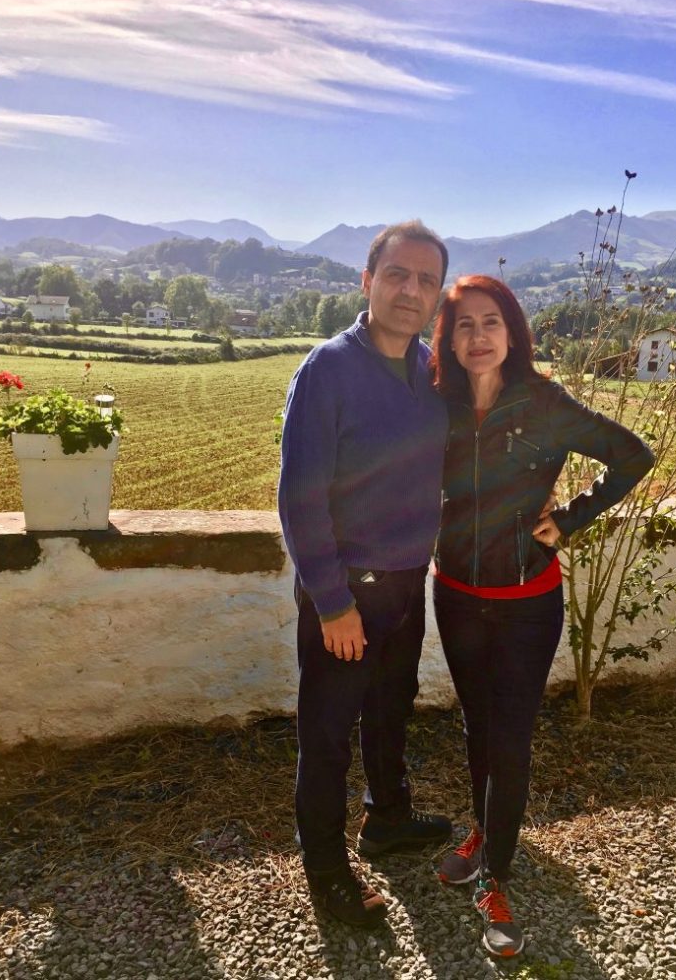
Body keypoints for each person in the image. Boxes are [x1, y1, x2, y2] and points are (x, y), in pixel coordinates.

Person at [430, 275, 654, 957]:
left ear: (512, 331)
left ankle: (496, 876)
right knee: (476, 726)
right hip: (456, 591)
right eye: (464, 324)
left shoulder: (544, 401)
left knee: (511, 737)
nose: (477, 336)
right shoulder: (435, 403)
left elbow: (632, 455)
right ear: (449, 336)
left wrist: (572, 517)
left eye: (490, 321)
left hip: (526, 601)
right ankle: (482, 828)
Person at [278, 221, 454, 929]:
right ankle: (326, 875)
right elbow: (299, 497)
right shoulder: (328, 369)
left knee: (391, 710)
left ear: (437, 296)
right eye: (398, 275)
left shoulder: (428, 372)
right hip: (345, 594)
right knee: (326, 735)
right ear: (368, 280)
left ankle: (387, 820)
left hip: (407, 586)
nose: (411, 290)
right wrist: (331, 602)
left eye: (426, 280)